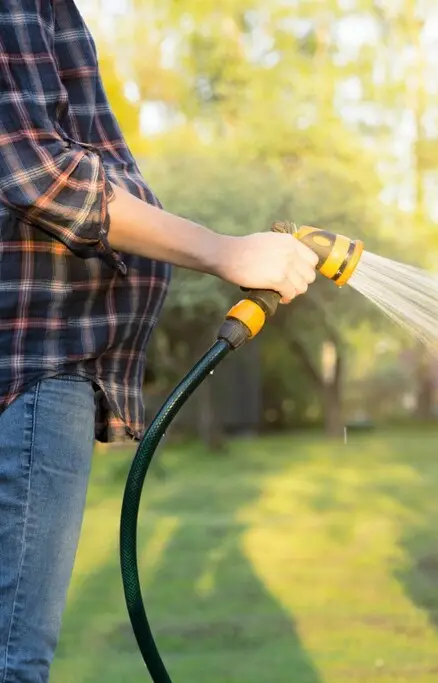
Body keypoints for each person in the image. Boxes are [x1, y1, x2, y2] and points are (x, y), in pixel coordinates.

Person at [0, 2, 320, 680]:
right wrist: (225, 250)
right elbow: (33, 168)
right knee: (12, 661)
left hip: (34, 362)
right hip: (32, 359)